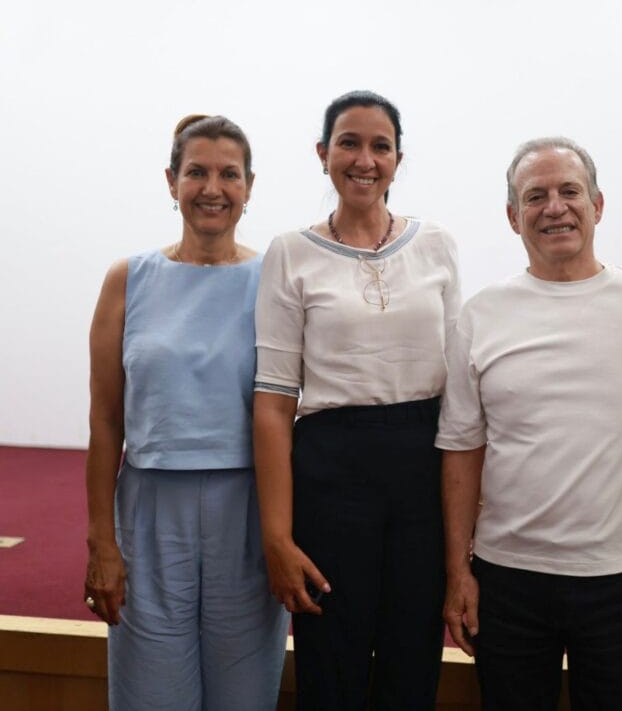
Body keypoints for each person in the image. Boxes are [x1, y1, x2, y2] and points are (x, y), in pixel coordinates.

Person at [438, 137, 622, 711]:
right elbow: (461, 448)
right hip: (507, 577)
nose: (554, 207)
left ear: (598, 204)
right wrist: (458, 569)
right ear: (513, 217)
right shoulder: (481, 314)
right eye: (536, 196)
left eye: (569, 192)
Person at [252, 90, 460, 710]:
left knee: (412, 661)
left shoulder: (437, 245)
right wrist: (277, 538)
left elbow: (459, 395)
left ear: (398, 159)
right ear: (323, 154)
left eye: (380, 146)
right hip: (330, 476)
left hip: (421, 471)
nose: (364, 159)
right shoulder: (290, 252)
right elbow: (271, 403)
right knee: (331, 664)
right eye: (349, 143)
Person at [83, 114, 289, 711]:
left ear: (249, 187)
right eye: (196, 172)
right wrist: (101, 542)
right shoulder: (128, 280)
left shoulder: (272, 279)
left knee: (243, 697)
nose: (212, 188)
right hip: (148, 511)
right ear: (172, 181)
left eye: (229, 174)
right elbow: (104, 421)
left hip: (247, 511)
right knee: (151, 696)